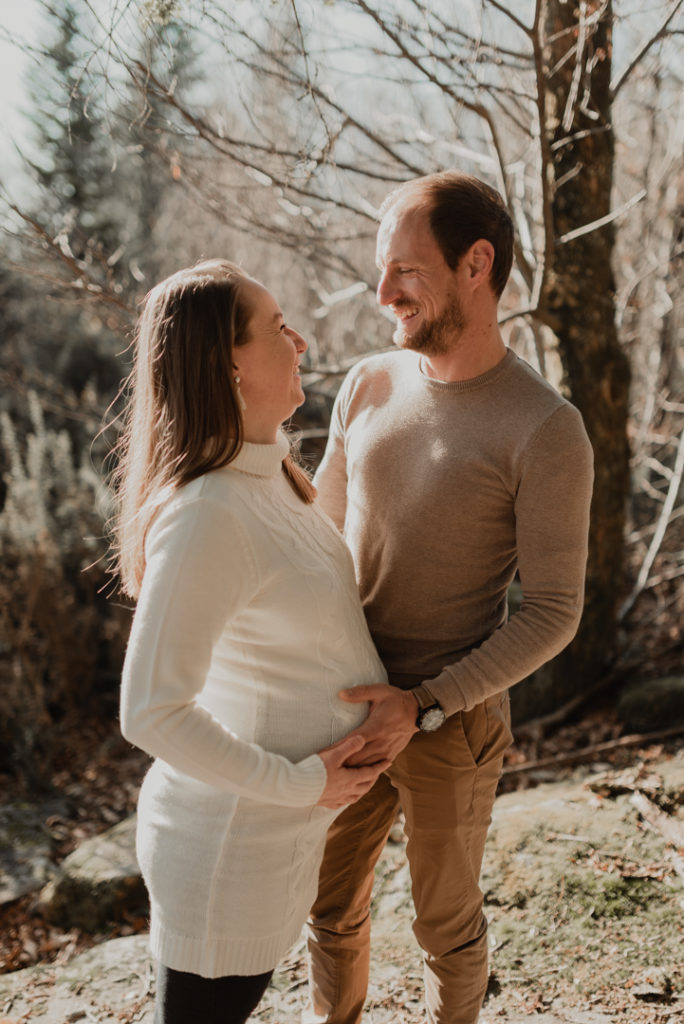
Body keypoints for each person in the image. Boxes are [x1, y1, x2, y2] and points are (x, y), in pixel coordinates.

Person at [305, 172, 594, 1024]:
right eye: (381, 269)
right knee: (325, 904)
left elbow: (554, 611)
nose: (383, 292)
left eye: (406, 269)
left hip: (450, 722)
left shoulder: (546, 428)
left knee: (445, 927)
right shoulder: (367, 384)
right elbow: (316, 534)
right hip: (343, 702)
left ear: (477, 264)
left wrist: (425, 704)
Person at [115, 259, 391, 1024]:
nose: (299, 342)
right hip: (224, 850)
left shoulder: (272, 478)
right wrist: (301, 784)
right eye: (277, 328)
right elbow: (151, 712)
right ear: (227, 363)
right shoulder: (208, 513)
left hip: (273, 842)